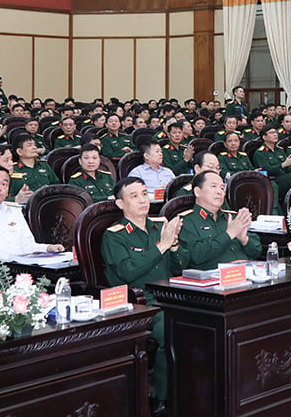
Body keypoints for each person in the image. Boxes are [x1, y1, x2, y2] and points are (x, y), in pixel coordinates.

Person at [103, 176, 182, 412]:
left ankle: (195, 385)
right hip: (142, 303)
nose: (142, 200)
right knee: (171, 330)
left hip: (173, 296)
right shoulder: (114, 235)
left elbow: (179, 267)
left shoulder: (160, 226)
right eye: (134, 196)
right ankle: (161, 396)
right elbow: (128, 272)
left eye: (145, 194)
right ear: (120, 203)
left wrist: (175, 246)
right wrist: (162, 246)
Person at [0, 165, 66, 258]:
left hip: (20, 269)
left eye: (4, 184)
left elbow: (27, 246)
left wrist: (48, 248)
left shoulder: (14, 211)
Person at [176, 170, 261, 270]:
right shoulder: (186, 221)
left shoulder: (232, 217)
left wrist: (244, 240)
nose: (219, 191)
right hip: (214, 279)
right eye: (213, 186)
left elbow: (257, 251)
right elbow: (196, 256)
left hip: (246, 273)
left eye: (222, 188)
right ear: (197, 192)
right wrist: (229, 235)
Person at [252, 125, 291, 208]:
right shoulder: (260, 153)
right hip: (272, 181)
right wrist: (283, 165)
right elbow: (265, 170)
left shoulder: (279, 150)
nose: (275, 135)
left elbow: (287, 168)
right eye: (272, 133)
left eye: (276, 132)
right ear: (264, 137)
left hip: (284, 178)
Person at [9, 133, 60, 203]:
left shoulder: (44, 165)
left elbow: (56, 185)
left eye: (35, 145)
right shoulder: (13, 169)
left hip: (48, 202)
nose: (34, 147)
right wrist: (16, 199)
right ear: (19, 151)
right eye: (29, 145)